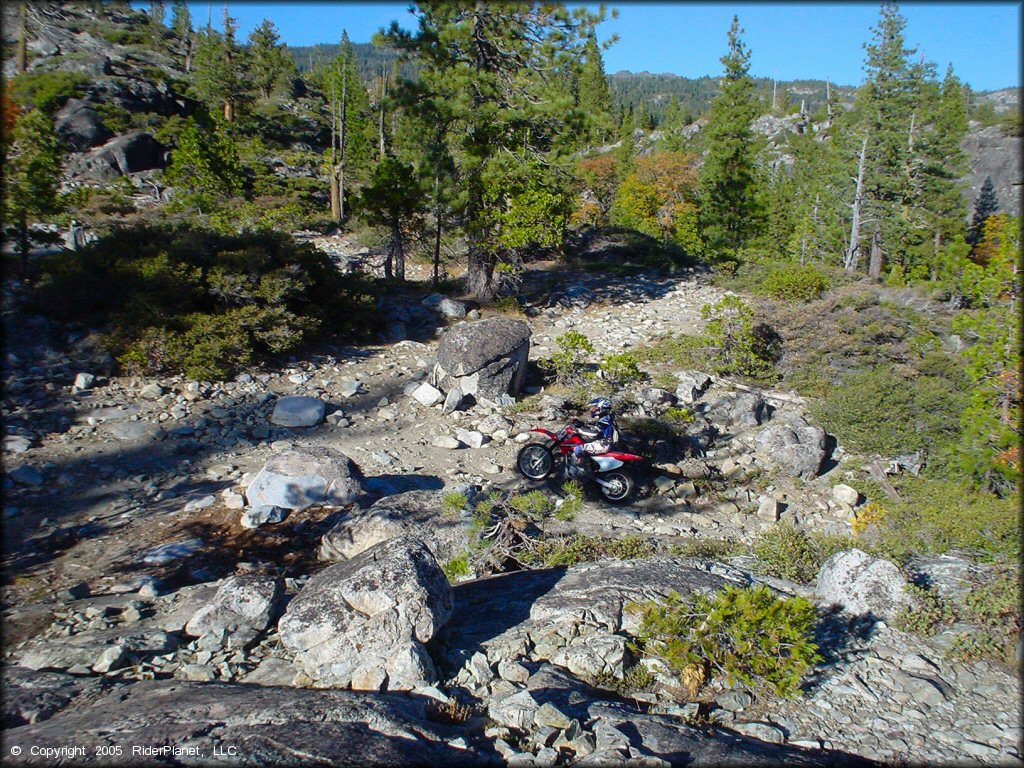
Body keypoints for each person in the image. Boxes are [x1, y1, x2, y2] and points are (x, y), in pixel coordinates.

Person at [570, 397, 616, 477]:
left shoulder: (605, 419)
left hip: (603, 445)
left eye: (595, 407)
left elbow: (595, 433)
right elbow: (596, 429)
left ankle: (585, 473)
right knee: (584, 445)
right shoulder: (607, 418)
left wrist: (578, 430)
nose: (593, 409)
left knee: (577, 449)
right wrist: (584, 425)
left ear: (601, 407)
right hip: (604, 444)